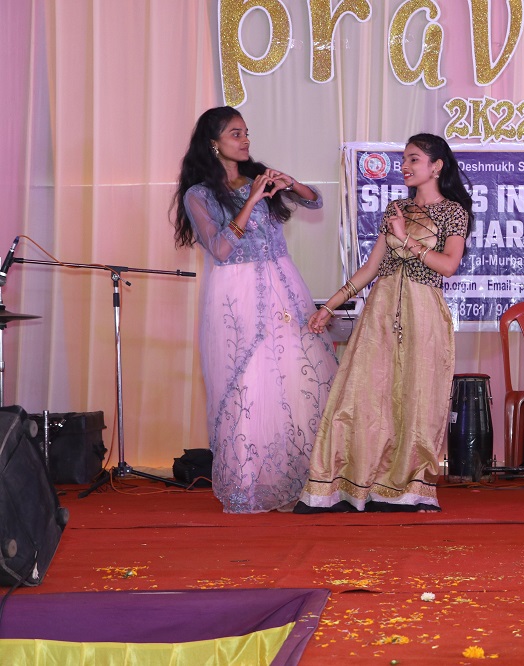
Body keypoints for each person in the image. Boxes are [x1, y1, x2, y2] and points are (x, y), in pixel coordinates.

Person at [171, 106, 337, 514]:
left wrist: (287, 182)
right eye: (235, 133)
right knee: (250, 380)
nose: (245, 140)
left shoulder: (257, 177)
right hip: (237, 292)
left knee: (296, 375)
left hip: (282, 285)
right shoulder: (199, 195)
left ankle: (305, 479)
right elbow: (220, 249)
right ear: (214, 143)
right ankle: (250, 484)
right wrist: (250, 201)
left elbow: (315, 202)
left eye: (246, 132)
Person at [296, 133, 472, 513]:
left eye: (413, 159)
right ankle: (347, 486)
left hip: (423, 313)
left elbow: (448, 265)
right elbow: (371, 268)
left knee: (417, 398)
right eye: (404, 160)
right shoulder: (396, 208)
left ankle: (406, 490)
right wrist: (330, 306)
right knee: (363, 394)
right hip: (381, 311)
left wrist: (406, 240)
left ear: (436, 166)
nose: (404, 166)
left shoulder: (453, 212)